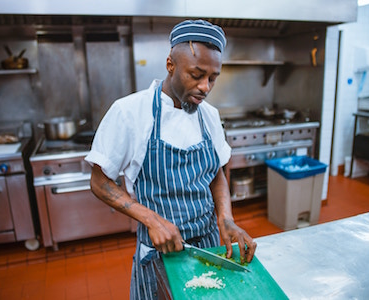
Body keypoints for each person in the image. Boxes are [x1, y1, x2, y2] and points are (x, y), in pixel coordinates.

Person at [85, 19, 257, 299]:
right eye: (196, 75)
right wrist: (151, 220)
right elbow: (99, 182)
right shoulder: (130, 112)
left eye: (213, 78)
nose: (205, 87)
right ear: (170, 65)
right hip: (160, 253)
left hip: (209, 249)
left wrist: (226, 218)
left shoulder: (209, 116)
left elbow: (216, 174)